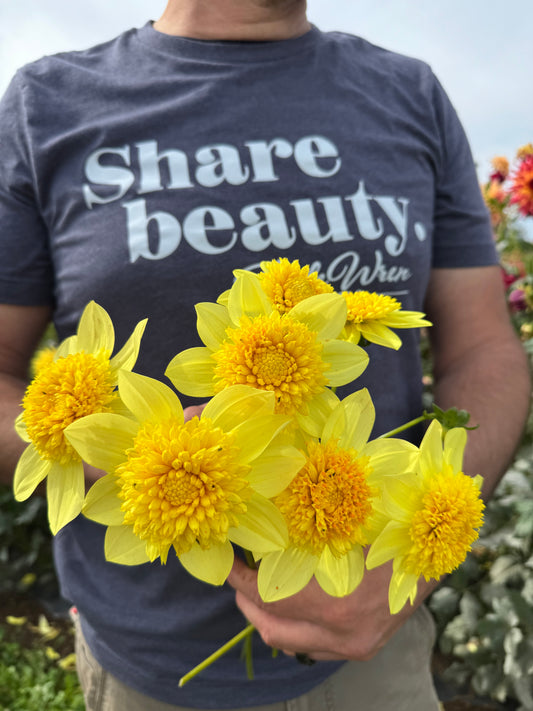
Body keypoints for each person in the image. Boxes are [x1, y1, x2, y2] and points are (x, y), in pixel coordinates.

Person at [0, 1, 530, 709]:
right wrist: (126, 457)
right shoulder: (46, 102)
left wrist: (417, 550)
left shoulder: (410, 93)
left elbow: (487, 348)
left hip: (380, 653)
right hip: (145, 668)